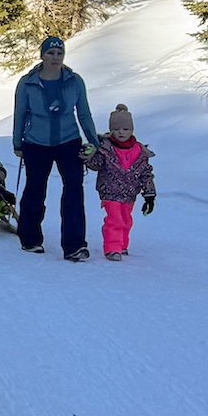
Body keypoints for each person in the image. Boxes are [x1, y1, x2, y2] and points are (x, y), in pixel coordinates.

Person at [13, 35, 99, 261]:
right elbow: (20, 114)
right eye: (50, 53)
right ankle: (30, 239)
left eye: (59, 53)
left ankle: (74, 246)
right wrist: (17, 142)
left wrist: (94, 142)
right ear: (42, 55)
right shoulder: (27, 82)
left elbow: (84, 114)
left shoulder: (74, 81)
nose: (55, 57)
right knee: (35, 190)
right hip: (35, 143)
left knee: (73, 190)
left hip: (69, 141)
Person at [83, 104, 156, 260]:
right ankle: (112, 248)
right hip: (110, 191)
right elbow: (97, 164)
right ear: (111, 130)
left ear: (132, 130)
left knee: (126, 220)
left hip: (130, 194)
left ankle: (122, 245)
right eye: (117, 129)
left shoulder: (139, 151)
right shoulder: (105, 148)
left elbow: (146, 174)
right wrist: (88, 156)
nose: (121, 132)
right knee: (114, 220)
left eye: (125, 129)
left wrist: (149, 195)